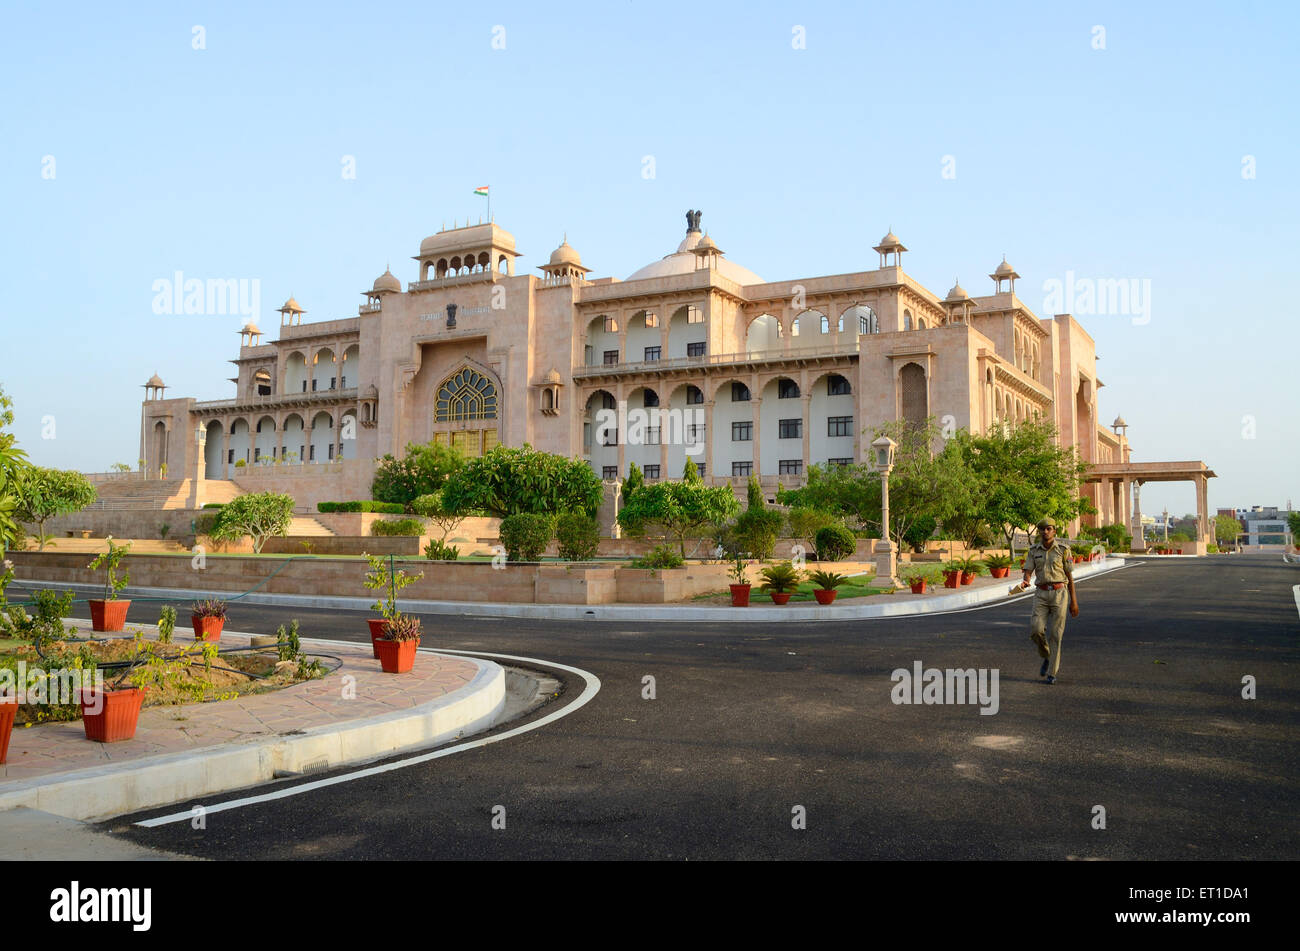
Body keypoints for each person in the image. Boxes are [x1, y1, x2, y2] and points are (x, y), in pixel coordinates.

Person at [1011, 517, 1079, 684]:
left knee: (1056, 634)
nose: (1045, 531)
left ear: (1054, 531)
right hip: (1041, 594)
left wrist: (1074, 601)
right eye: (1042, 529)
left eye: (1049, 528)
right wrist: (1026, 580)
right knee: (1036, 629)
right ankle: (1046, 655)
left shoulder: (1063, 549)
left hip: (1059, 594)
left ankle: (1052, 673)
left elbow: (1069, 576)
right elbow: (1028, 570)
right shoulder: (1034, 550)